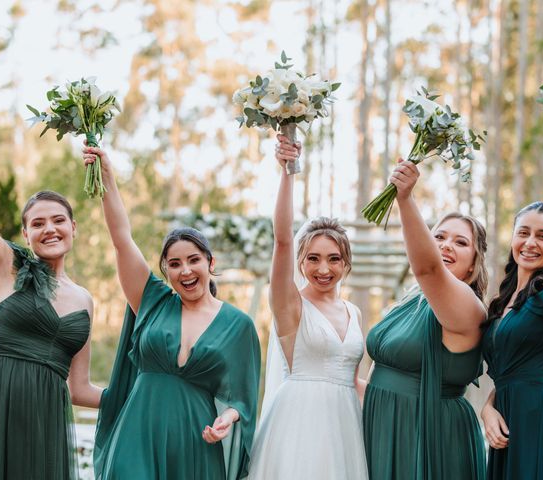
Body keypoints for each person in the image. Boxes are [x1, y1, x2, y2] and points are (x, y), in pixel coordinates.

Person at [0, 68, 101, 480]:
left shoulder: (84, 299)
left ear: (73, 228)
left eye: (58, 220)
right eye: (38, 223)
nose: (49, 229)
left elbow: (80, 389)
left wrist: (147, 394)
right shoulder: (4, 267)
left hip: (46, 422)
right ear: (26, 234)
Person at [85, 144, 260, 479]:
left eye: (193, 260)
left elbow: (243, 399)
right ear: (165, 272)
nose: (185, 271)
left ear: (210, 263)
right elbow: (122, 239)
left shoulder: (239, 326)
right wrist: (106, 177)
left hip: (194, 439)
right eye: (174, 264)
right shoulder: (152, 301)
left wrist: (227, 419)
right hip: (137, 435)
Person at [247, 135, 368, 480]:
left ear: (346, 263)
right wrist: (288, 172)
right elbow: (283, 238)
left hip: (346, 426)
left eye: (334, 259)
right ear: (300, 262)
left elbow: (352, 378)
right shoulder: (291, 305)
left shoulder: (353, 313)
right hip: (298, 423)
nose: (324, 269)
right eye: (313, 259)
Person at [363, 159, 487, 480]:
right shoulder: (410, 301)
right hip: (381, 428)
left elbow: (428, 269)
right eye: (439, 237)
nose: (446, 245)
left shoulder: (468, 308)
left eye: (461, 242)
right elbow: (381, 378)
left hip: (431, 437)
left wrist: (405, 199)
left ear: (474, 265)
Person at [481, 201, 543, 479]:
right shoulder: (499, 303)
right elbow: (509, 373)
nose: (530, 243)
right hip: (509, 423)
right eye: (523, 232)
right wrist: (488, 407)